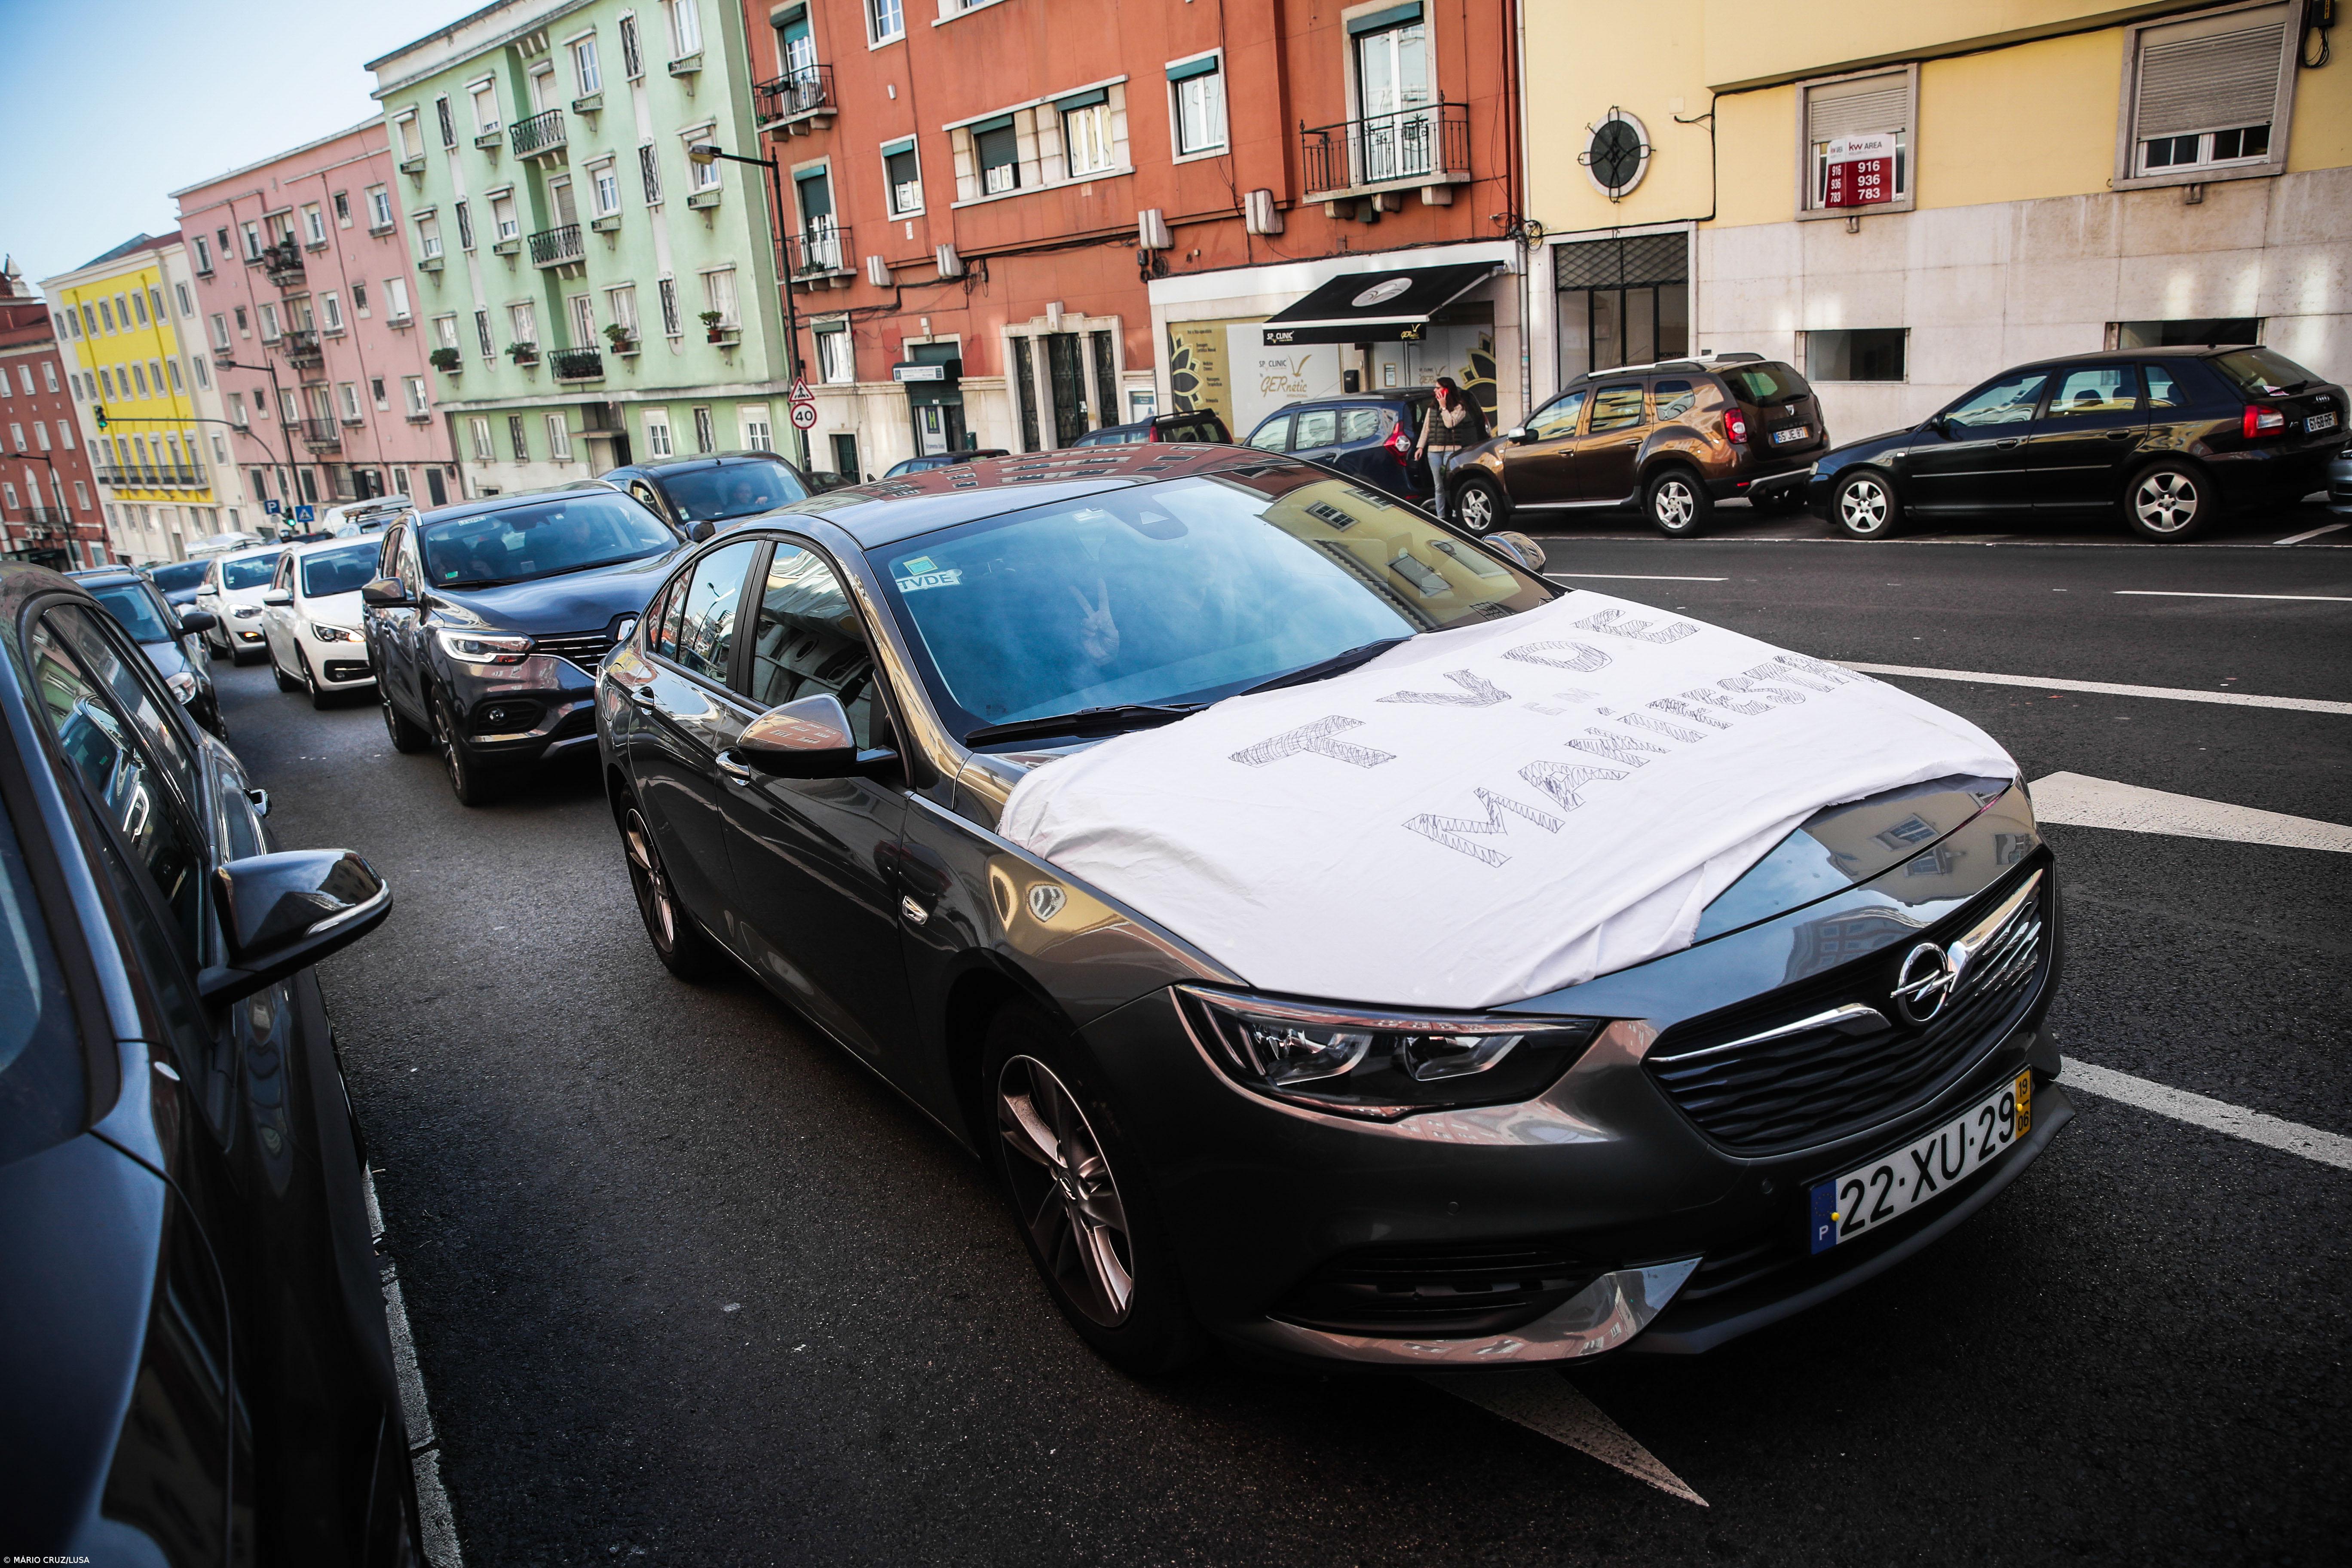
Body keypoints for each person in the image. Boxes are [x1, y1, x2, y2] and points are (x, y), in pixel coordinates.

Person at [1413, 377, 1488, 523]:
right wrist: (1420, 447)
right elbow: (1427, 428)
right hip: (1434, 451)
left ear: (1447, 390)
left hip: (1451, 451)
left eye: (1438, 388)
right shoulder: (1432, 407)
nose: (1435, 391)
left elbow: (1450, 424)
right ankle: (1440, 517)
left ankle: (1456, 512)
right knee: (1439, 486)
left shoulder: (1460, 407)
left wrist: (1443, 407)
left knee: (1453, 482)